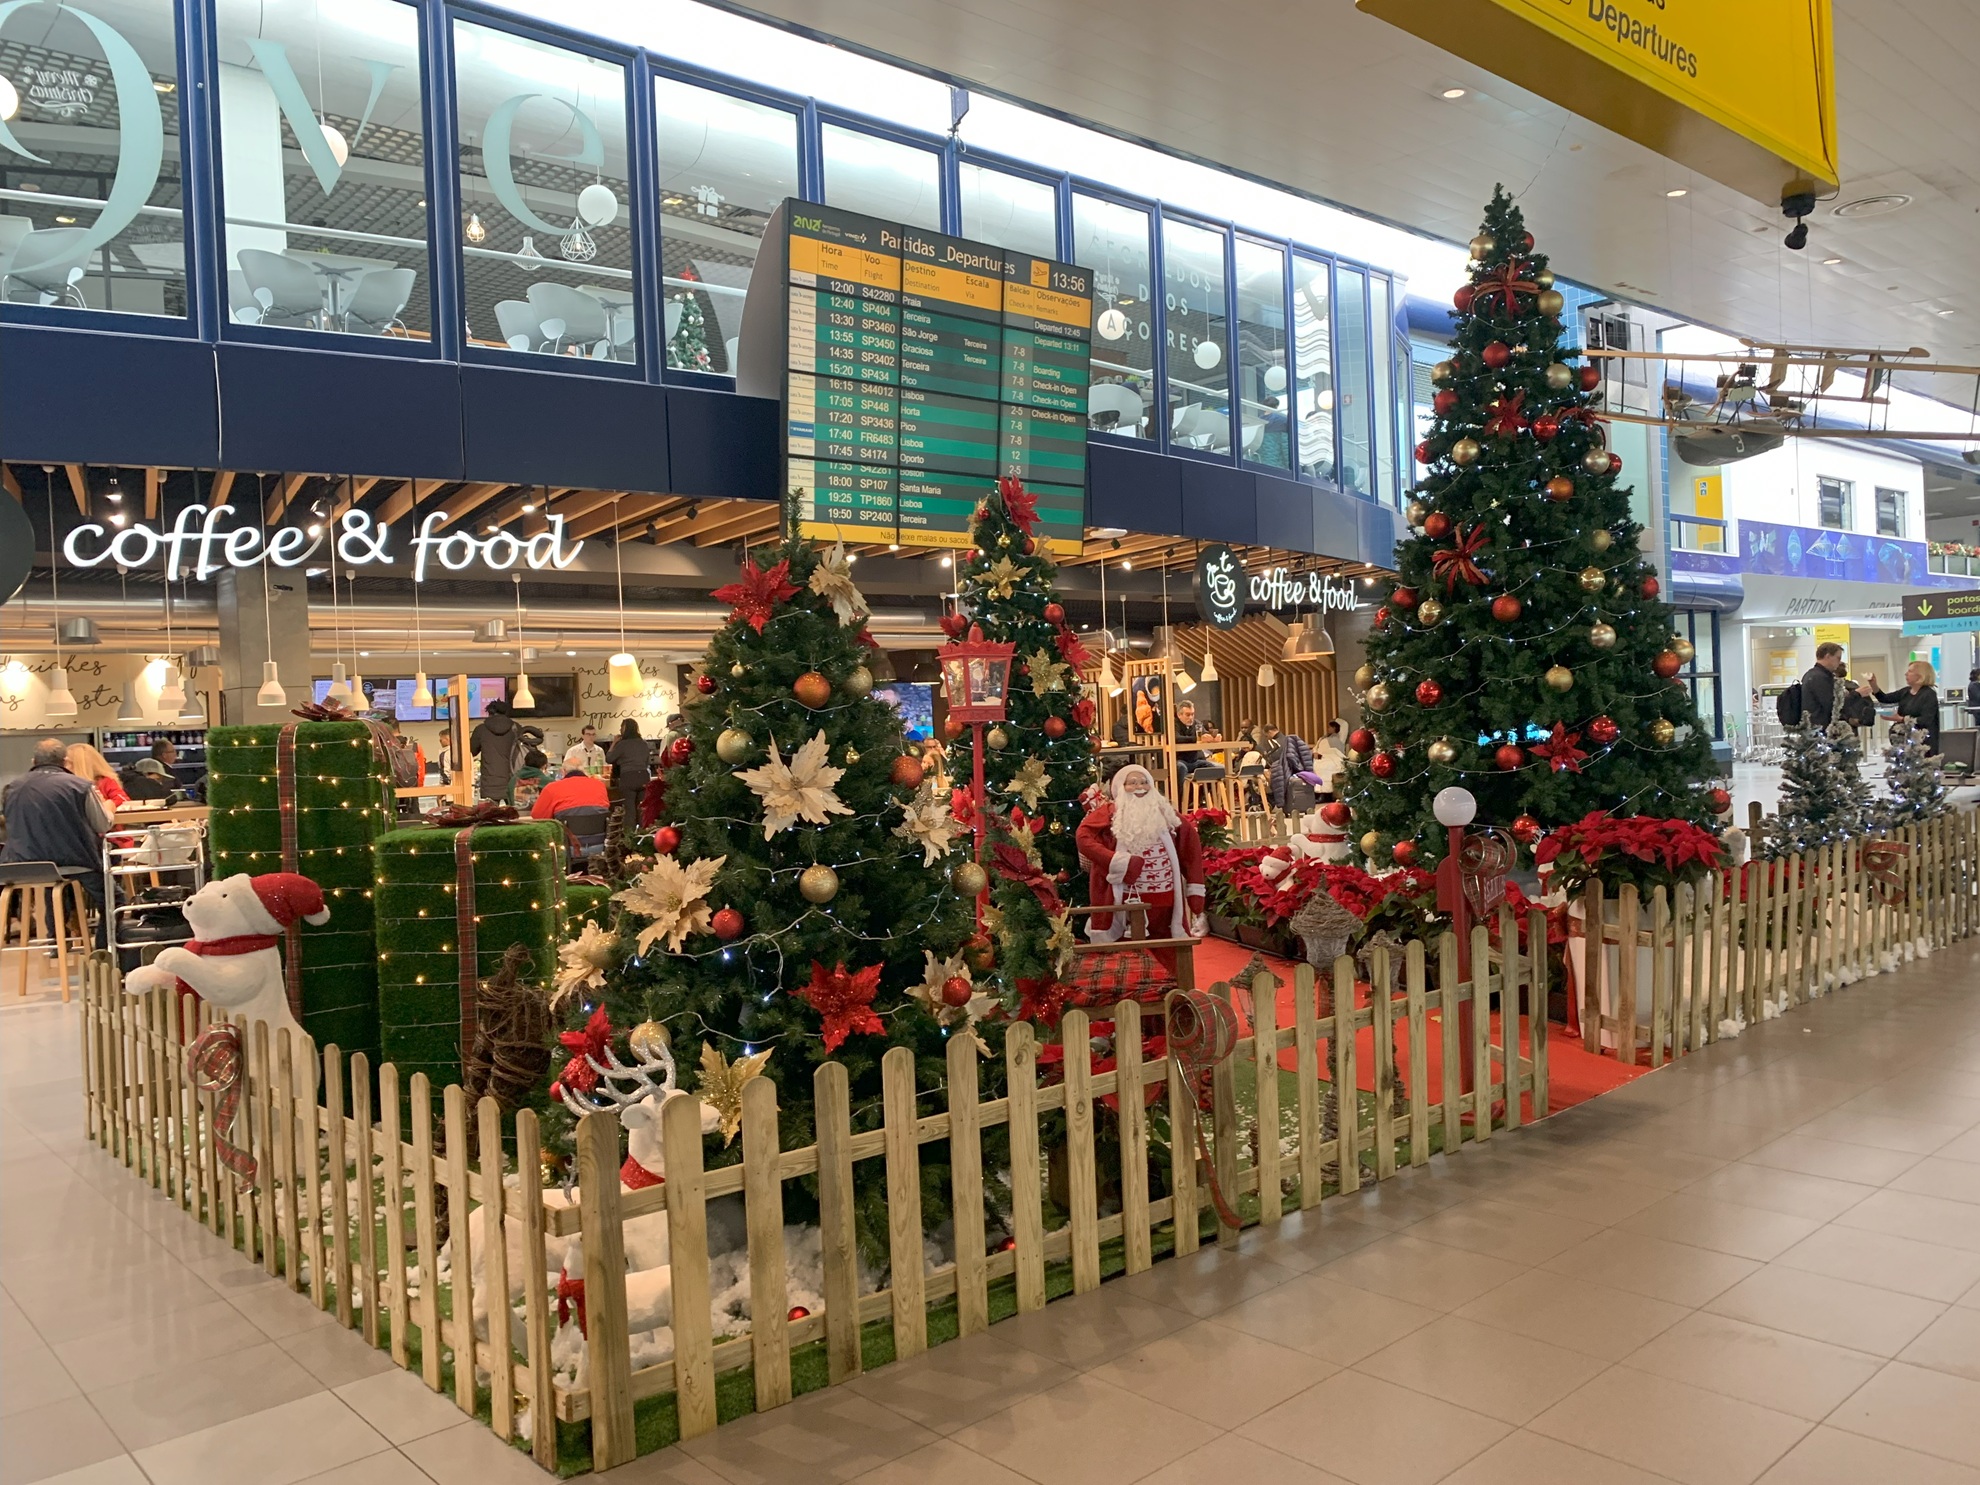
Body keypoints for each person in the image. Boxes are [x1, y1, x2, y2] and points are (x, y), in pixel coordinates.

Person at [1076, 764, 1206, 974]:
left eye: (1144, 781)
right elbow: (1084, 838)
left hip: (1166, 904)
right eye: (1132, 782)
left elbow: (1190, 846)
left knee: (1168, 953)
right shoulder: (1109, 813)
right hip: (1125, 903)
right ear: (1120, 787)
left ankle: (1172, 988)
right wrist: (1117, 861)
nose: (1140, 787)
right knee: (1127, 956)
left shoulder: (1166, 813)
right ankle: (1133, 993)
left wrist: (1195, 887)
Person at [1, 739, 113, 946]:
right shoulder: (79, 786)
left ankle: (57, 944)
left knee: (52, 886)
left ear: (33, 761)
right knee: (113, 898)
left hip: (20, 866)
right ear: (66, 762)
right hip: (74, 860)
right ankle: (103, 950)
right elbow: (102, 825)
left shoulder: (11, 788)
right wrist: (109, 808)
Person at [1859, 660, 1942, 754]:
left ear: (1920, 675)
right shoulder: (1906, 692)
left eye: (1910, 671)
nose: (1906, 674)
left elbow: (1926, 719)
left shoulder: (1929, 694)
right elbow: (1884, 698)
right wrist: (1873, 684)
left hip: (1922, 742)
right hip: (1904, 739)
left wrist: (1901, 719)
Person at [469, 698, 525, 802]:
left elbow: (471, 751)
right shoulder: (516, 728)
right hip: (513, 779)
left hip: (490, 781)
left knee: (490, 815)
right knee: (515, 815)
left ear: (489, 712)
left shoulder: (481, 729)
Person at [606, 718, 652, 825]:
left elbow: (609, 759)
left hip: (628, 777)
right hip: (644, 777)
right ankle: (643, 836)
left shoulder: (622, 744)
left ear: (624, 729)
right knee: (642, 809)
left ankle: (629, 838)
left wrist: (613, 743)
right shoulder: (643, 743)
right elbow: (646, 762)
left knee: (630, 811)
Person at [530, 764, 611, 820]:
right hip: (600, 841)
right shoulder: (599, 785)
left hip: (567, 841)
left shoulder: (552, 788)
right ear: (584, 771)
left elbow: (537, 816)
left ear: (563, 772)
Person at [65, 743, 130, 809]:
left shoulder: (105, 781)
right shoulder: (65, 784)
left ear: (79, 766)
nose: (65, 767)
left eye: (67, 763)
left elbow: (124, 801)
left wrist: (105, 803)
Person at [1798, 642, 1847, 728]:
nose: (1839, 662)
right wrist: (1855, 695)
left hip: (1813, 727)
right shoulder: (1820, 677)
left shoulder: (1811, 675)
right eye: (1838, 658)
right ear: (1827, 656)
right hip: (1820, 728)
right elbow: (1832, 704)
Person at [511, 748, 552, 812]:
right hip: (541, 820)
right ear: (544, 766)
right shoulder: (549, 782)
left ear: (525, 763)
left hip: (515, 818)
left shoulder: (512, 780)